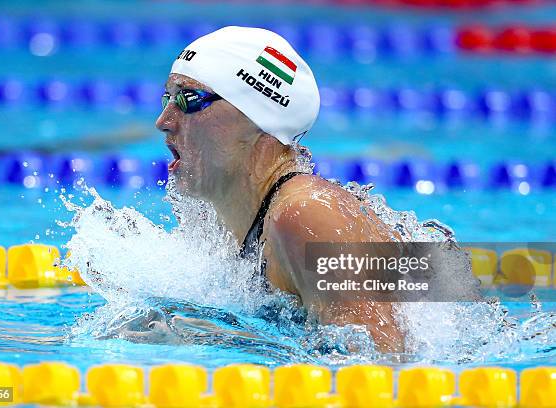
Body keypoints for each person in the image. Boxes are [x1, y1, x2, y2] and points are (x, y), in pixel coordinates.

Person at [156, 26, 403, 352]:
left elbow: (383, 366)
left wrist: (221, 338)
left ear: (259, 120)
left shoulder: (309, 215)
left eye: (189, 100)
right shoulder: (219, 216)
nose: (164, 120)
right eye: (167, 98)